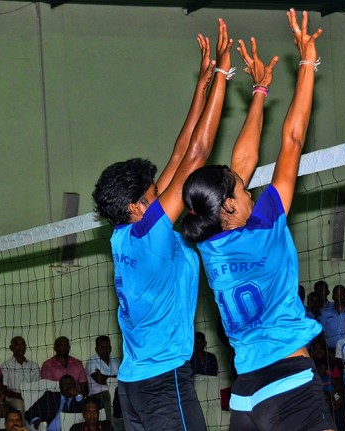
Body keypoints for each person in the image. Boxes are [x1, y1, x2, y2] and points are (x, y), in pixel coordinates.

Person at [181, 9, 333, 430]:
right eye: (243, 190)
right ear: (229, 206)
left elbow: (241, 163)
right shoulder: (264, 225)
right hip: (290, 384)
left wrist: (261, 90)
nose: (250, 190)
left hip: (246, 393)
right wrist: (307, 64)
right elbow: (293, 140)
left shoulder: (208, 240)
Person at [91, 17, 232, 431]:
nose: (164, 193)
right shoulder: (150, 233)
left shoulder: (122, 236)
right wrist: (223, 76)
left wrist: (201, 84)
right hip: (164, 383)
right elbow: (197, 155)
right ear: (136, 207)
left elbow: (179, 155)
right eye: (154, 192)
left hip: (133, 387)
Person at [24, 374, 95, 431]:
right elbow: (30, 412)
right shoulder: (50, 396)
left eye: (72, 384)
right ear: (60, 387)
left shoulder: (78, 400)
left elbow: (88, 409)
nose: (69, 387)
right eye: (66, 384)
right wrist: (36, 419)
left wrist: (78, 395)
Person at [85, 336, 120, 425]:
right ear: (96, 349)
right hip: (98, 394)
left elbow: (123, 377)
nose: (105, 350)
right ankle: (111, 426)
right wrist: (116, 377)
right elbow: (100, 380)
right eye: (102, 347)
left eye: (107, 347)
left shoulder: (116, 360)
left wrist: (106, 377)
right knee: (108, 398)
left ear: (110, 348)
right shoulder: (92, 361)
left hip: (117, 391)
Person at [1, 336, 41, 411]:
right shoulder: (6, 366)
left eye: (23, 344)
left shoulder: (33, 366)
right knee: (19, 407)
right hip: (14, 399)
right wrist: (22, 396)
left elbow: (37, 386)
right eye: (17, 345)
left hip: (32, 398)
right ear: (11, 348)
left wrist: (30, 397)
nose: (21, 347)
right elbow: (4, 389)